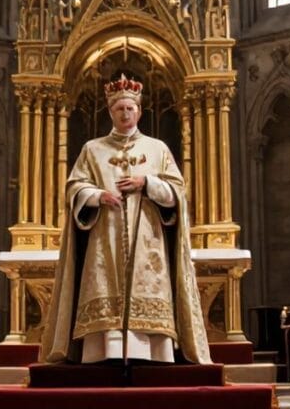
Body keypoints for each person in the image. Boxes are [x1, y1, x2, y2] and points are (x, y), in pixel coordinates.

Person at [40, 74, 210, 365]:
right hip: (104, 237)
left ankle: (152, 352)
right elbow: (73, 187)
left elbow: (178, 194)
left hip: (148, 240)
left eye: (130, 108)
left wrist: (148, 183)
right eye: (119, 108)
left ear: (139, 111)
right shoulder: (92, 150)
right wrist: (96, 196)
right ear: (110, 112)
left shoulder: (157, 149)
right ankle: (106, 351)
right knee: (105, 288)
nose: (125, 113)